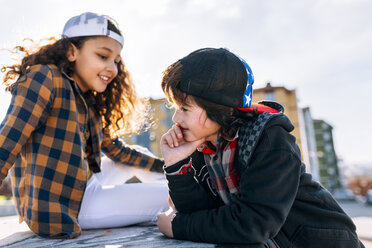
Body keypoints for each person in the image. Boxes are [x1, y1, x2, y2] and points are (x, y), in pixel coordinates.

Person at [157, 47, 365, 247]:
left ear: (224, 109)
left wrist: (177, 226)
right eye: (175, 108)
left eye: (184, 108)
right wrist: (176, 164)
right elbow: (201, 213)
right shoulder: (203, 149)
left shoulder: (269, 140)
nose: (176, 118)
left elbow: (254, 224)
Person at [0, 12, 168, 239]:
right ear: (71, 51)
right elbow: (9, 138)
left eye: (116, 61)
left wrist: (168, 167)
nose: (113, 68)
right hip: (65, 205)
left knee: (141, 156)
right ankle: (187, 199)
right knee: (166, 195)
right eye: (103, 56)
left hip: (83, 185)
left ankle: (181, 185)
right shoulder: (45, 78)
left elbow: (118, 152)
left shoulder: (88, 100)